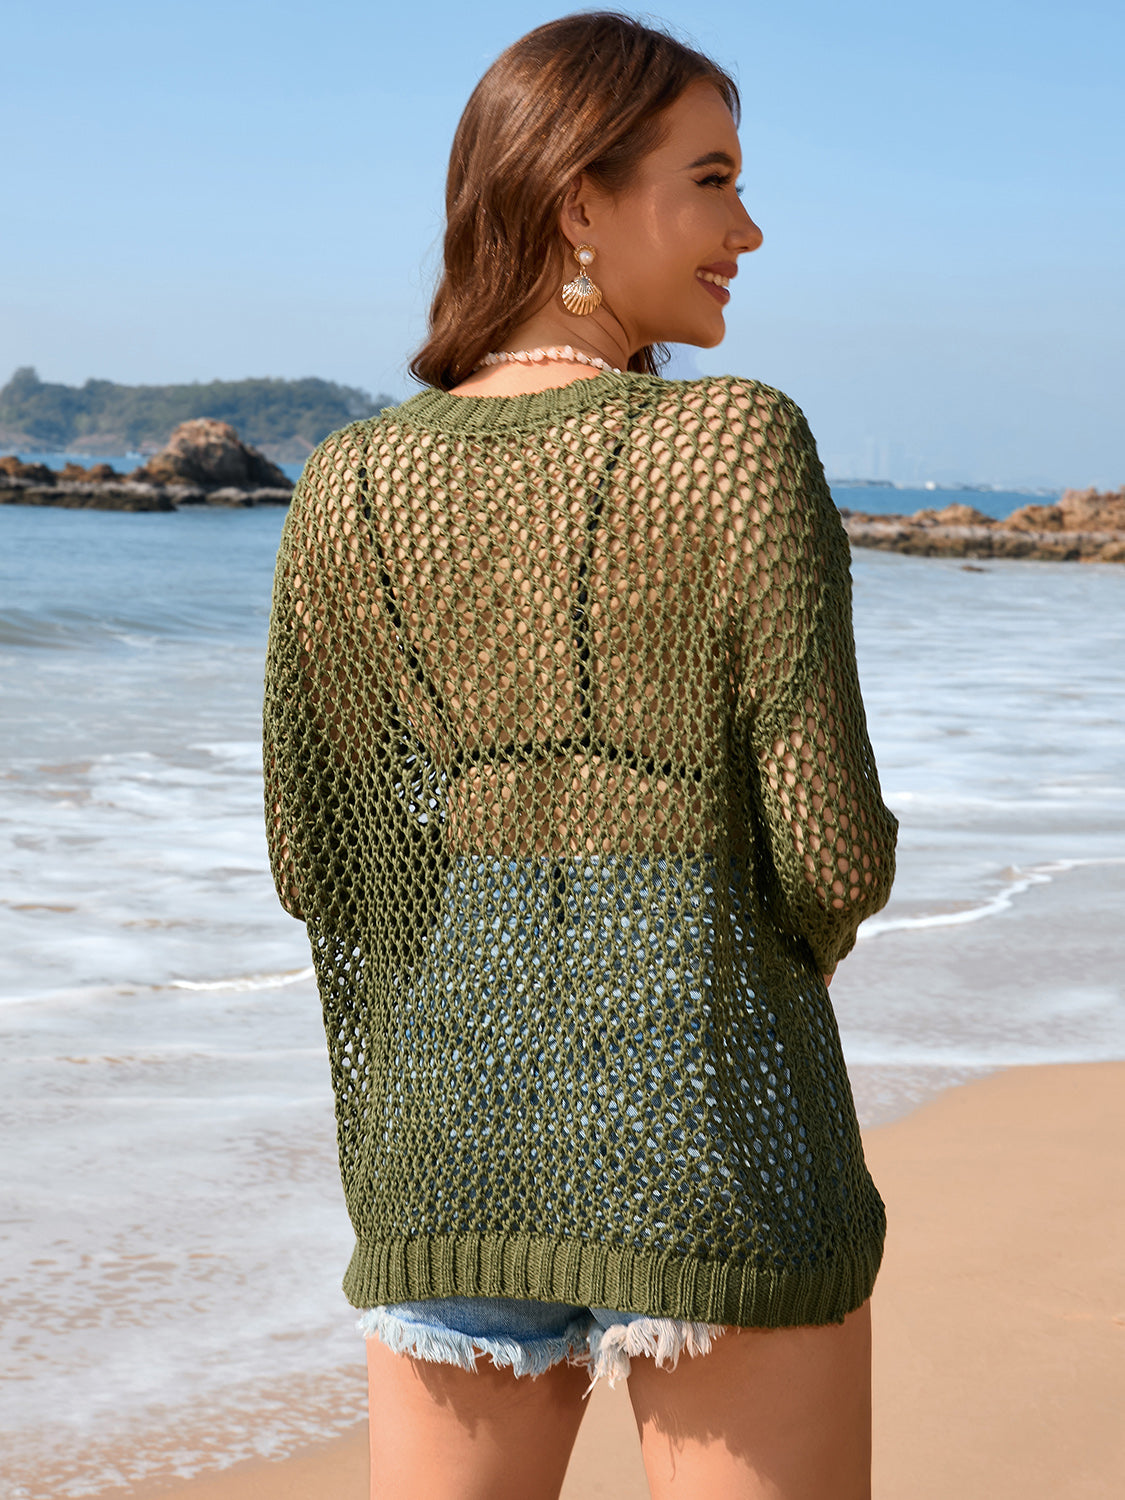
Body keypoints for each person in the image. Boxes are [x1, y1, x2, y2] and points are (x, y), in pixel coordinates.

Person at [263, 12, 898, 1498]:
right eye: (711, 180)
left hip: (452, 1118)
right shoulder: (729, 441)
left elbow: (322, 859)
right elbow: (831, 854)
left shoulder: (349, 478)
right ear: (576, 205)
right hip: (705, 1104)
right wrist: (754, 965)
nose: (748, 228)